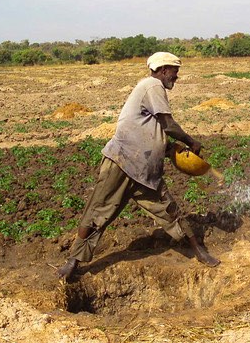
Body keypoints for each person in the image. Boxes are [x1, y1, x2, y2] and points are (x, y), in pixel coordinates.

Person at [57, 52, 220, 279]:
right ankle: (72, 262)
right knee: (98, 212)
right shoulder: (152, 85)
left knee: (170, 211)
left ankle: (199, 252)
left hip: (145, 170)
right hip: (122, 162)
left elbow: (150, 130)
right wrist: (190, 141)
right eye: (175, 71)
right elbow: (168, 124)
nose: (177, 76)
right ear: (163, 70)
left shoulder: (151, 89)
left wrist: (170, 148)